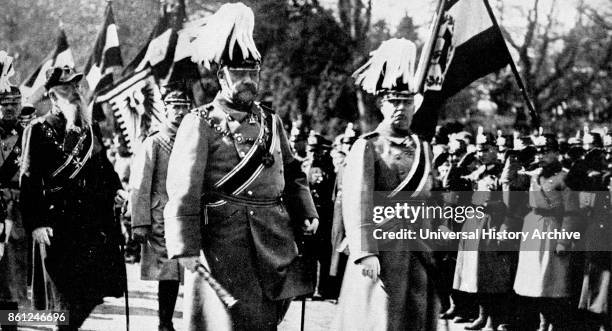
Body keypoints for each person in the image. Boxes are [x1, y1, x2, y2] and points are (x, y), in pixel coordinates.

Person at [163, 3, 319, 330]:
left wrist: (307, 212)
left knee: (264, 323)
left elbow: (292, 173)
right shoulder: (199, 122)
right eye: (239, 73)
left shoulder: (271, 122)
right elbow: (183, 191)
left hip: (274, 243)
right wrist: (184, 247)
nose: (248, 80)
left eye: (253, 72)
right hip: (224, 246)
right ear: (222, 75)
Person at [334, 38, 440, 330]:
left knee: (415, 320)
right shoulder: (367, 146)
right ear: (381, 103)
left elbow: (433, 198)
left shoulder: (424, 147)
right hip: (382, 253)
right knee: (379, 320)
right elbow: (358, 203)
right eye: (394, 101)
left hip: (418, 251)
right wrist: (365, 251)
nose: (401, 108)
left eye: (407, 102)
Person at [20, 66, 126, 330]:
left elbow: (104, 168)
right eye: (67, 90)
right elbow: (29, 180)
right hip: (58, 228)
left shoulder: (91, 130)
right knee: (66, 301)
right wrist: (36, 223)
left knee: (90, 295)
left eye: (77, 88)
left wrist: (117, 190)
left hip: (92, 227)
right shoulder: (38, 130)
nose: (75, 94)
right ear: (53, 97)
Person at [130, 90, 190, 331]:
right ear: (165, 109)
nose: (179, 111)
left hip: (189, 215)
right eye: (174, 106)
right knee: (168, 272)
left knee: (191, 271)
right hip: (161, 217)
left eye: (183, 106)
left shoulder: (194, 139)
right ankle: (164, 323)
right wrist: (139, 222)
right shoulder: (154, 142)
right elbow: (140, 185)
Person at [513, 133, 582, 331]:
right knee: (535, 283)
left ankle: (553, 324)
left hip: (553, 228)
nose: (541, 154)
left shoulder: (565, 177)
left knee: (553, 281)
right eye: (538, 150)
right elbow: (509, 181)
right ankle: (542, 323)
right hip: (533, 227)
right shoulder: (534, 174)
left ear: (556, 152)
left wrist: (564, 241)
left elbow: (572, 212)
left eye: (546, 150)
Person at [0, 51, 27, 331]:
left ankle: (10, 325)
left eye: (14, 103)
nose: (9, 108)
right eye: (4, 103)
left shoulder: (31, 135)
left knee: (12, 276)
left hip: (16, 213)